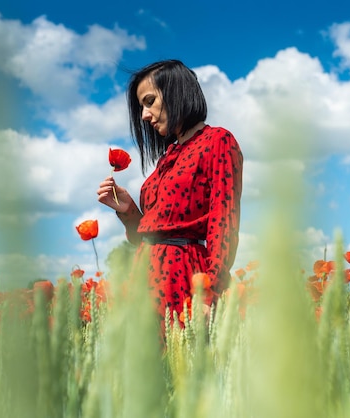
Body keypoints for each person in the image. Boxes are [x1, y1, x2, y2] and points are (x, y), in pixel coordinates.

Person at [96, 59, 243, 327]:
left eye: (149, 101)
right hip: (145, 278)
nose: (144, 115)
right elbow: (148, 237)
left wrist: (208, 293)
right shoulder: (168, 157)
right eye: (141, 106)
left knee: (180, 364)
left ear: (176, 91)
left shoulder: (217, 141)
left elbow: (224, 221)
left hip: (184, 278)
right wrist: (128, 210)